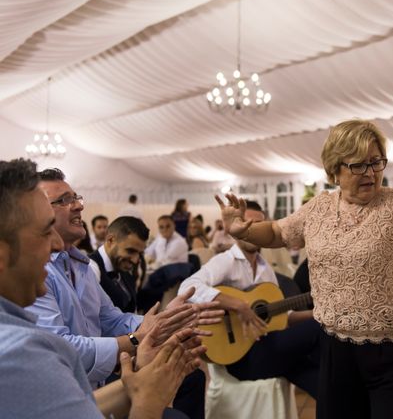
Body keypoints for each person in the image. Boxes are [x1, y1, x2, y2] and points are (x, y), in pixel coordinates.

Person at [215, 119, 393, 419]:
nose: (370, 172)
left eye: (376, 162)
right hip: (335, 347)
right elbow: (278, 233)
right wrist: (242, 230)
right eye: (359, 165)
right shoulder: (318, 209)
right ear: (335, 170)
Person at [0, 158, 203, 419]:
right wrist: (146, 397)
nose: (55, 245)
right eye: (44, 229)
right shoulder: (21, 355)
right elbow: (65, 352)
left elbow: (111, 318)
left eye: (76, 198)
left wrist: (160, 324)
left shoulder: (78, 264)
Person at [179, 201, 321, 397]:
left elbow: (282, 316)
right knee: (320, 331)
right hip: (240, 359)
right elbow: (187, 288)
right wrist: (237, 304)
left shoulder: (266, 270)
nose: (251, 230)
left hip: (267, 349)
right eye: (246, 224)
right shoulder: (226, 261)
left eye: (257, 226)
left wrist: (318, 314)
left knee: (323, 383)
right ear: (235, 228)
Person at [88, 216, 148, 313]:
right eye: (130, 251)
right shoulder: (90, 268)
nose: (135, 260)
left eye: (139, 253)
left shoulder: (124, 266)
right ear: (110, 240)